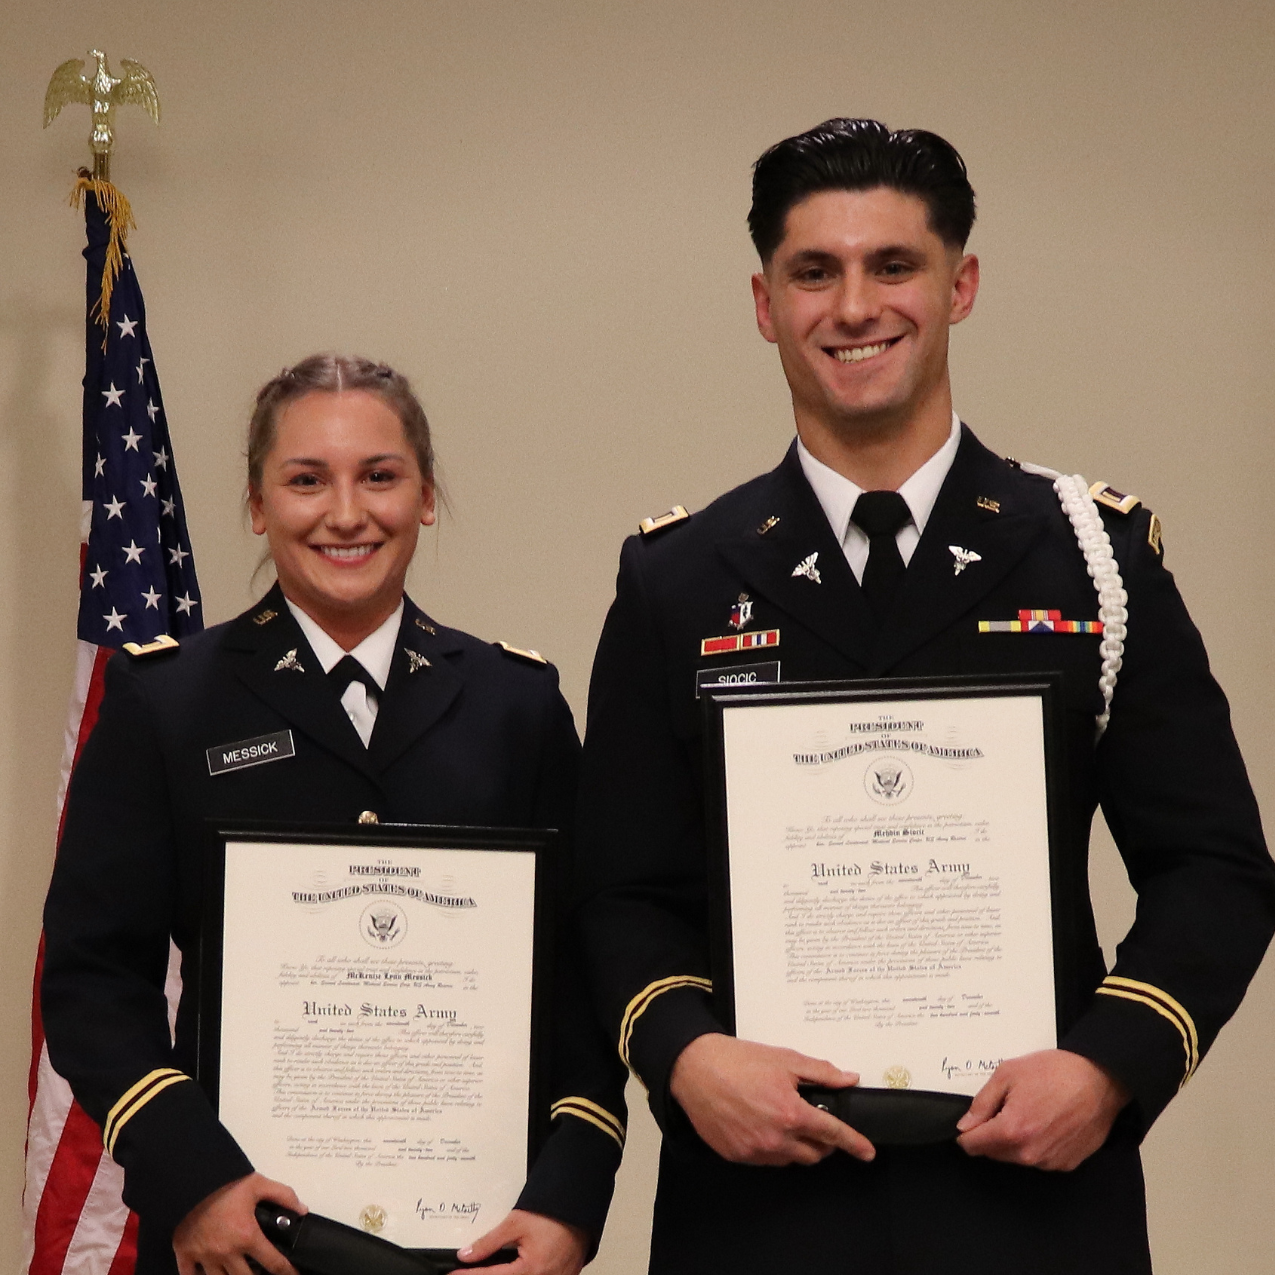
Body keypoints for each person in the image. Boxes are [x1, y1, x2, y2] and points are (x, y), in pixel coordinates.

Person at [574, 119, 1275, 1273]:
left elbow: (1216, 869)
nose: (855, 306)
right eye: (815, 272)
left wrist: (1108, 1067)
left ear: (962, 285)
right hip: (759, 1210)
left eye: (893, 265)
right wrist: (690, 1057)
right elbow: (620, 890)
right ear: (765, 303)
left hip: (1031, 1207)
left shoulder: (1089, 558)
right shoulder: (678, 577)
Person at [42, 354, 626, 1275]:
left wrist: (568, 1205)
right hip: (238, 1241)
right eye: (306, 480)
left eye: (380, 477)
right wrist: (193, 1181)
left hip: (470, 1246)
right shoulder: (167, 702)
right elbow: (90, 979)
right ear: (256, 502)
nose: (346, 513)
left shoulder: (518, 708)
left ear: (427, 495)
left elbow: (582, 992)